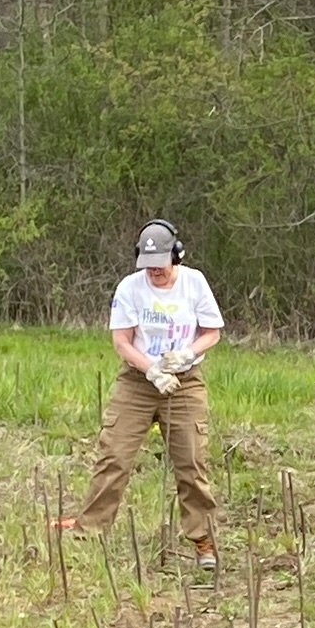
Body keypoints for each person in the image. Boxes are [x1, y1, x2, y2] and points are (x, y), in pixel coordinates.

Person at [65, 220, 227, 566]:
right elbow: (122, 342)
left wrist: (187, 354)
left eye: (160, 266)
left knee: (191, 461)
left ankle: (203, 541)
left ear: (176, 257)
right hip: (138, 382)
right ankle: (90, 533)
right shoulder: (130, 288)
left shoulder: (194, 284)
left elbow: (212, 332)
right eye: (147, 266)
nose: (154, 273)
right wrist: (151, 369)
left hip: (184, 383)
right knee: (114, 456)